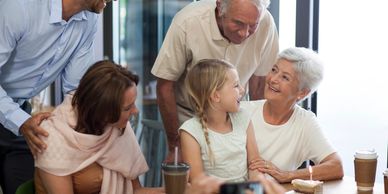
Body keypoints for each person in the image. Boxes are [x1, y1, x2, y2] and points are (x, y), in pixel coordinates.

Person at [0, 0, 113, 193]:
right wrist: (19, 121)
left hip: (20, 117)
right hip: (17, 117)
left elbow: (75, 90)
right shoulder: (18, 6)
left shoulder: (89, 21)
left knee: (26, 187)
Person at [151, 0, 279, 161]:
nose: (244, 33)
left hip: (236, 116)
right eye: (238, 23)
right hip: (190, 116)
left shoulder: (266, 22)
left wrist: (259, 133)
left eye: (252, 25)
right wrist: (175, 145)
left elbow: (259, 83)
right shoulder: (187, 22)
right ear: (220, 8)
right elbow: (164, 86)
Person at [34, 60, 165, 194]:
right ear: (103, 112)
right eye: (127, 108)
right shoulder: (52, 138)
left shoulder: (116, 126)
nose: (136, 111)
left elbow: (135, 190)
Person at [244, 47, 344, 183]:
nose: (273, 79)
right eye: (274, 70)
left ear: (302, 93)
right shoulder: (244, 111)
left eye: (285, 77)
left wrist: (288, 175)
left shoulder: (305, 122)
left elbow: (336, 167)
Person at [180, 59, 262, 183]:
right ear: (216, 96)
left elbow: (255, 164)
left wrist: (255, 188)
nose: (242, 90)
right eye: (236, 85)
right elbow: (197, 180)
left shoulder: (244, 118)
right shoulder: (190, 132)